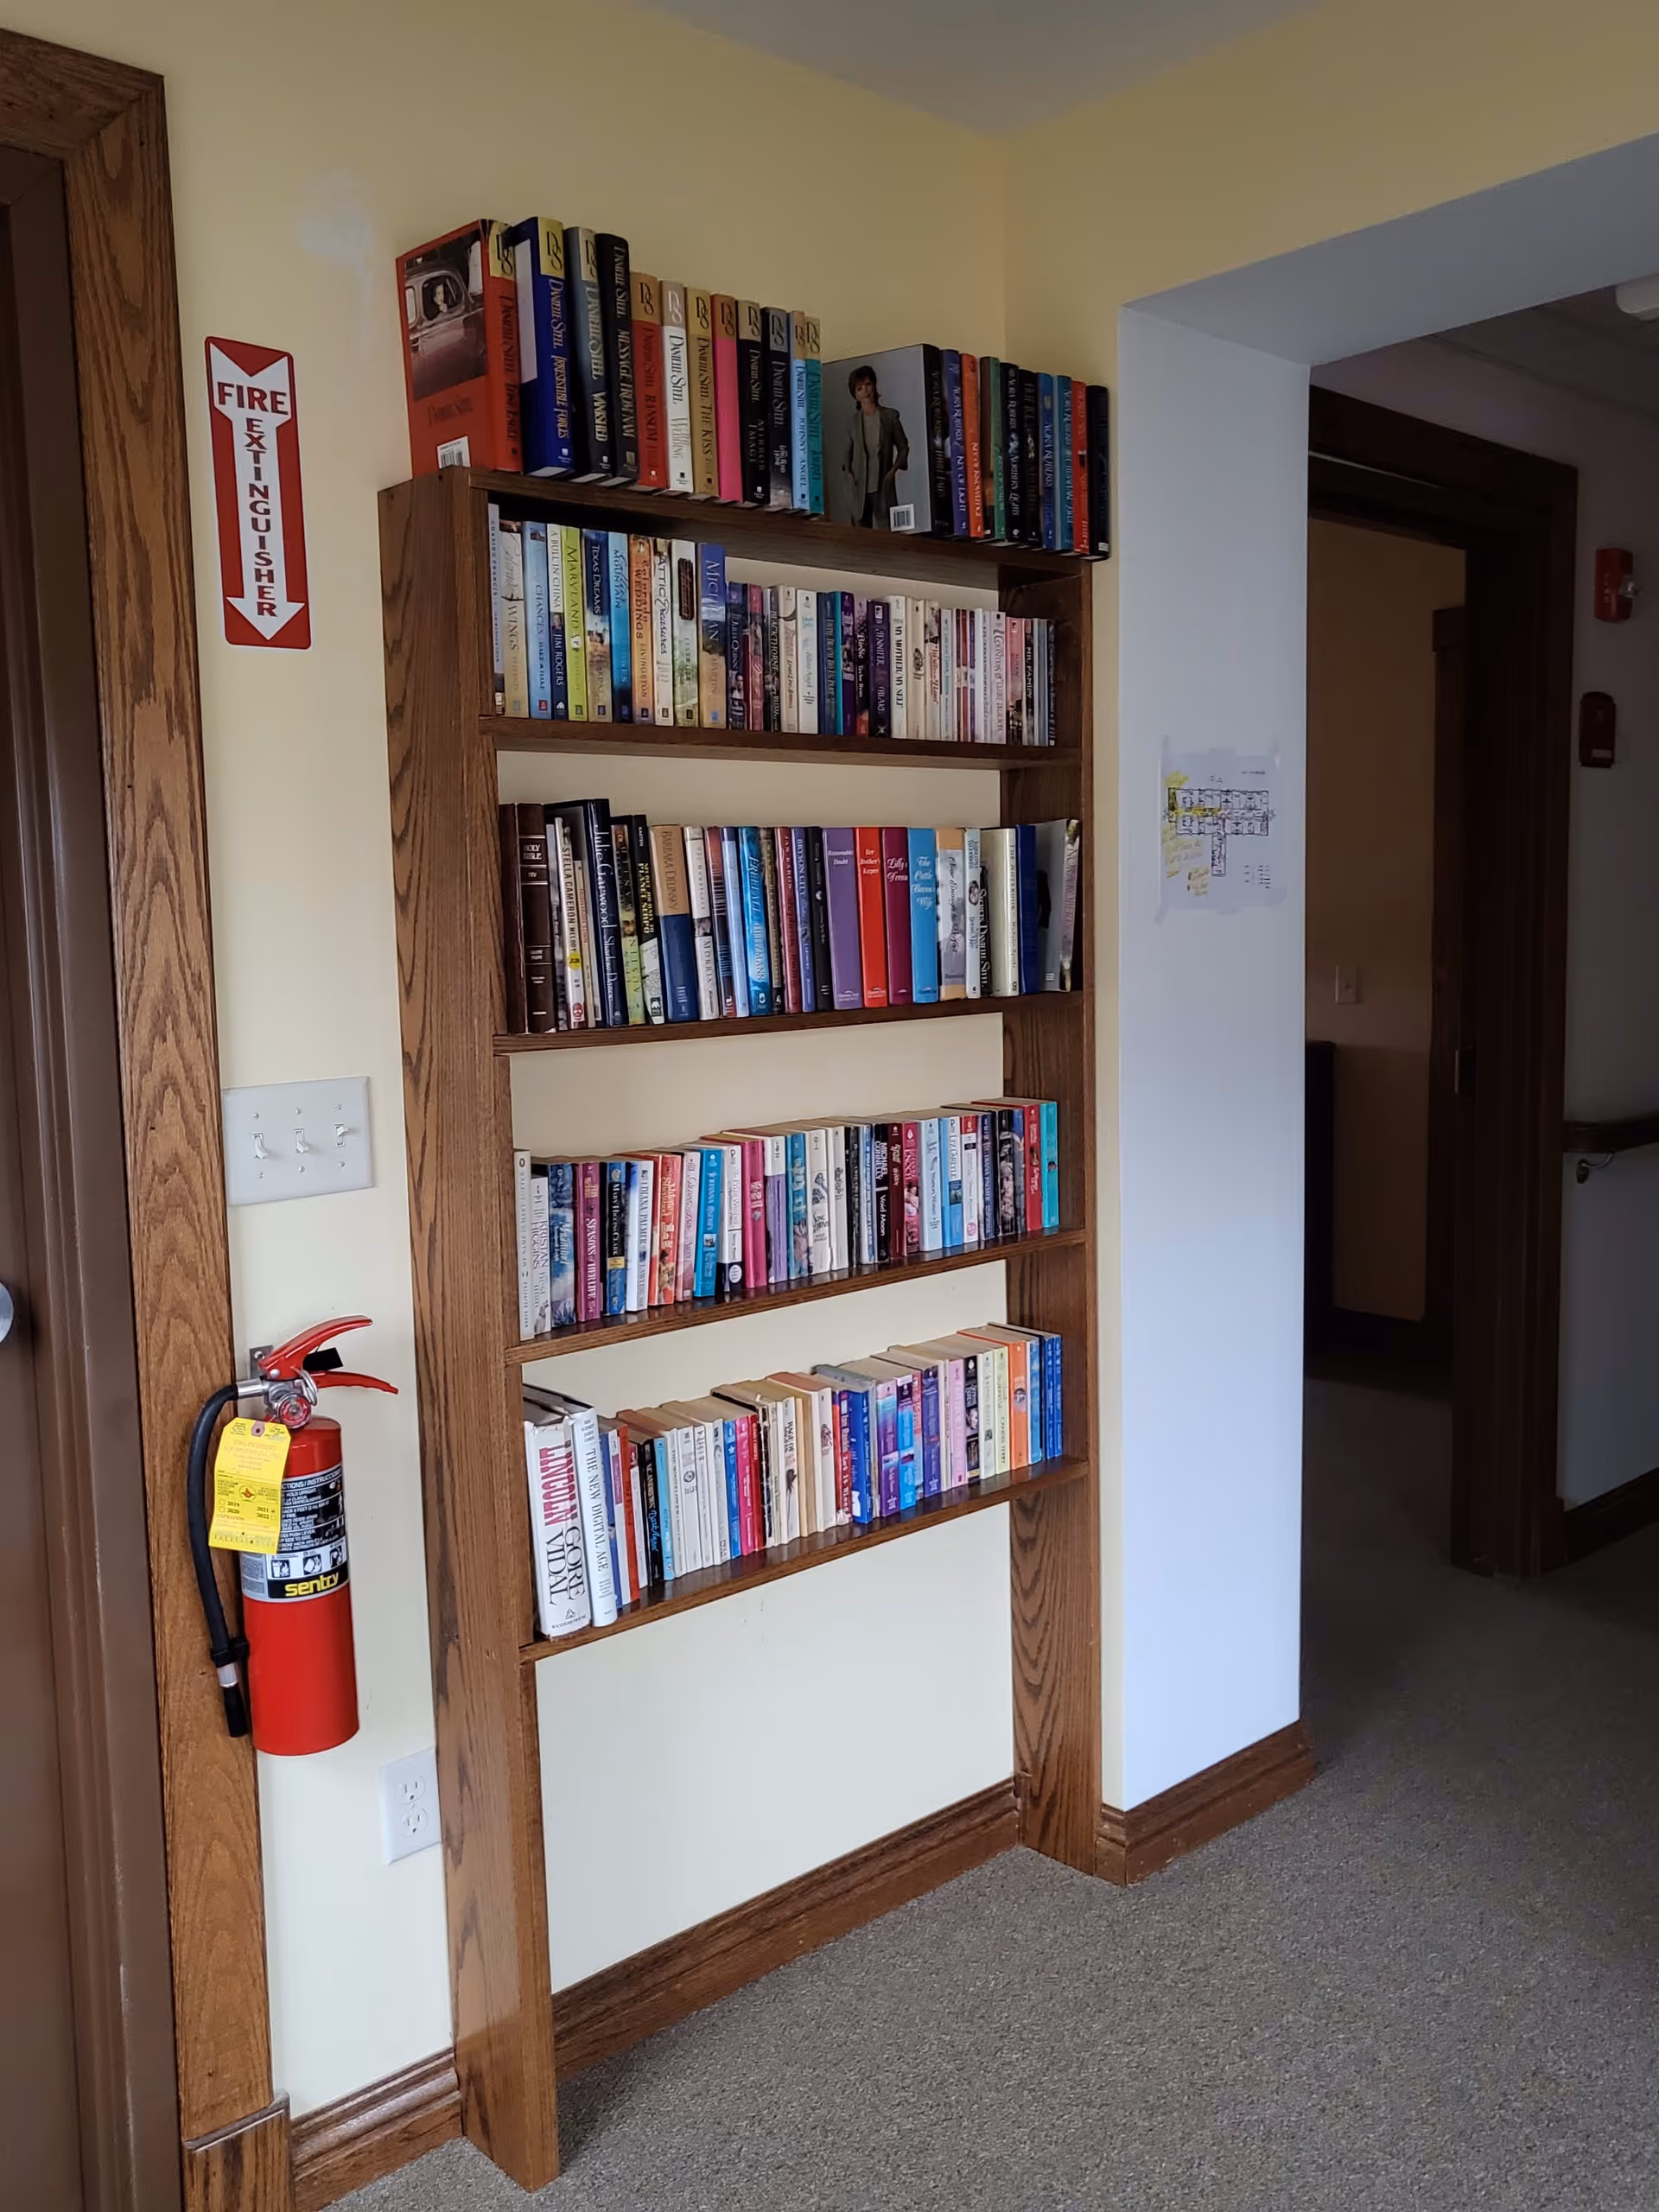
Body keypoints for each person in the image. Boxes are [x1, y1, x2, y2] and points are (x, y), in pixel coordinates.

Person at [842, 365, 909, 528]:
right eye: (859, 388)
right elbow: (848, 451)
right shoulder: (853, 422)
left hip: (883, 484)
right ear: (855, 394)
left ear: (874, 385)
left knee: (889, 529)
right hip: (860, 487)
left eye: (868, 384)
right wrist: (849, 474)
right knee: (861, 532)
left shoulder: (890, 416)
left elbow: (903, 447)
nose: (865, 390)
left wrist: (893, 471)